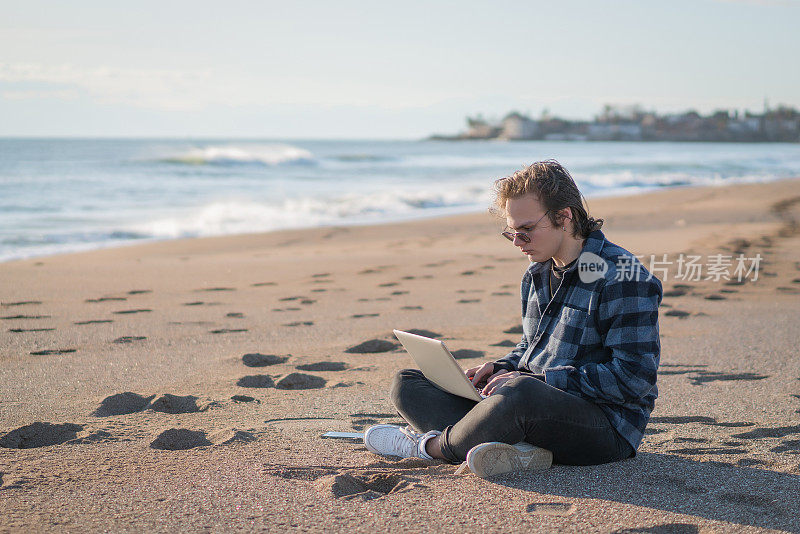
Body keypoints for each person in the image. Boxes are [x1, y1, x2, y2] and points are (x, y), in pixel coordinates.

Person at [363, 160, 663, 477]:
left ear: (564, 217)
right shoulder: (537, 272)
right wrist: (503, 366)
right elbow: (533, 346)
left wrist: (539, 381)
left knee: (520, 395)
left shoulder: (621, 277)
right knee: (409, 384)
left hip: (605, 428)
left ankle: (431, 448)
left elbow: (634, 378)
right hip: (529, 406)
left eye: (527, 230)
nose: (518, 242)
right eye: (512, 233)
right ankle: (512, 446)